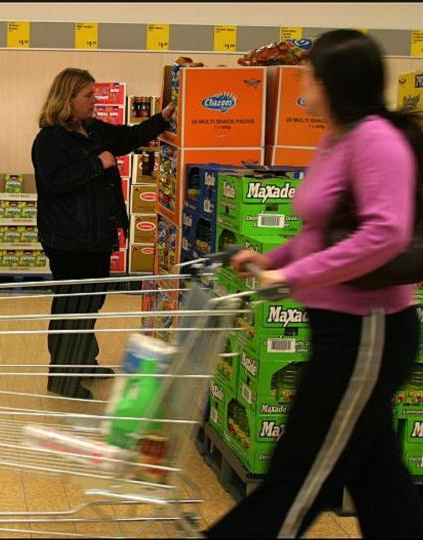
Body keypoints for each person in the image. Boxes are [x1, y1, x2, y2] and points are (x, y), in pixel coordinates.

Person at [206, 29, 423, 538]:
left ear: (333, 81)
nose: (303, 80)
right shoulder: (337, 137)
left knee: (300, 472)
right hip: (337, 328)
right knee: (378, 477)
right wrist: (272, 258)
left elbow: (384, 233)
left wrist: (291, 274)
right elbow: (319, 230)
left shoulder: (375, 139)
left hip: (368, 330)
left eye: (310, 72)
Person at [31, 68, 175, 399]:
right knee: (73, 307)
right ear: (67, 99)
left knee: (92, 301)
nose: (94, 101)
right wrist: (99, 164)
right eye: (88, 96)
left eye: (94, 95)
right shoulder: (50, 139)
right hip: (69, 239)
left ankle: (83, 360)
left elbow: (126, 138)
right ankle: (62, 378)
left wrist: (161, 119)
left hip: (95, 235)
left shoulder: (92, 130)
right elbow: (55, 182)